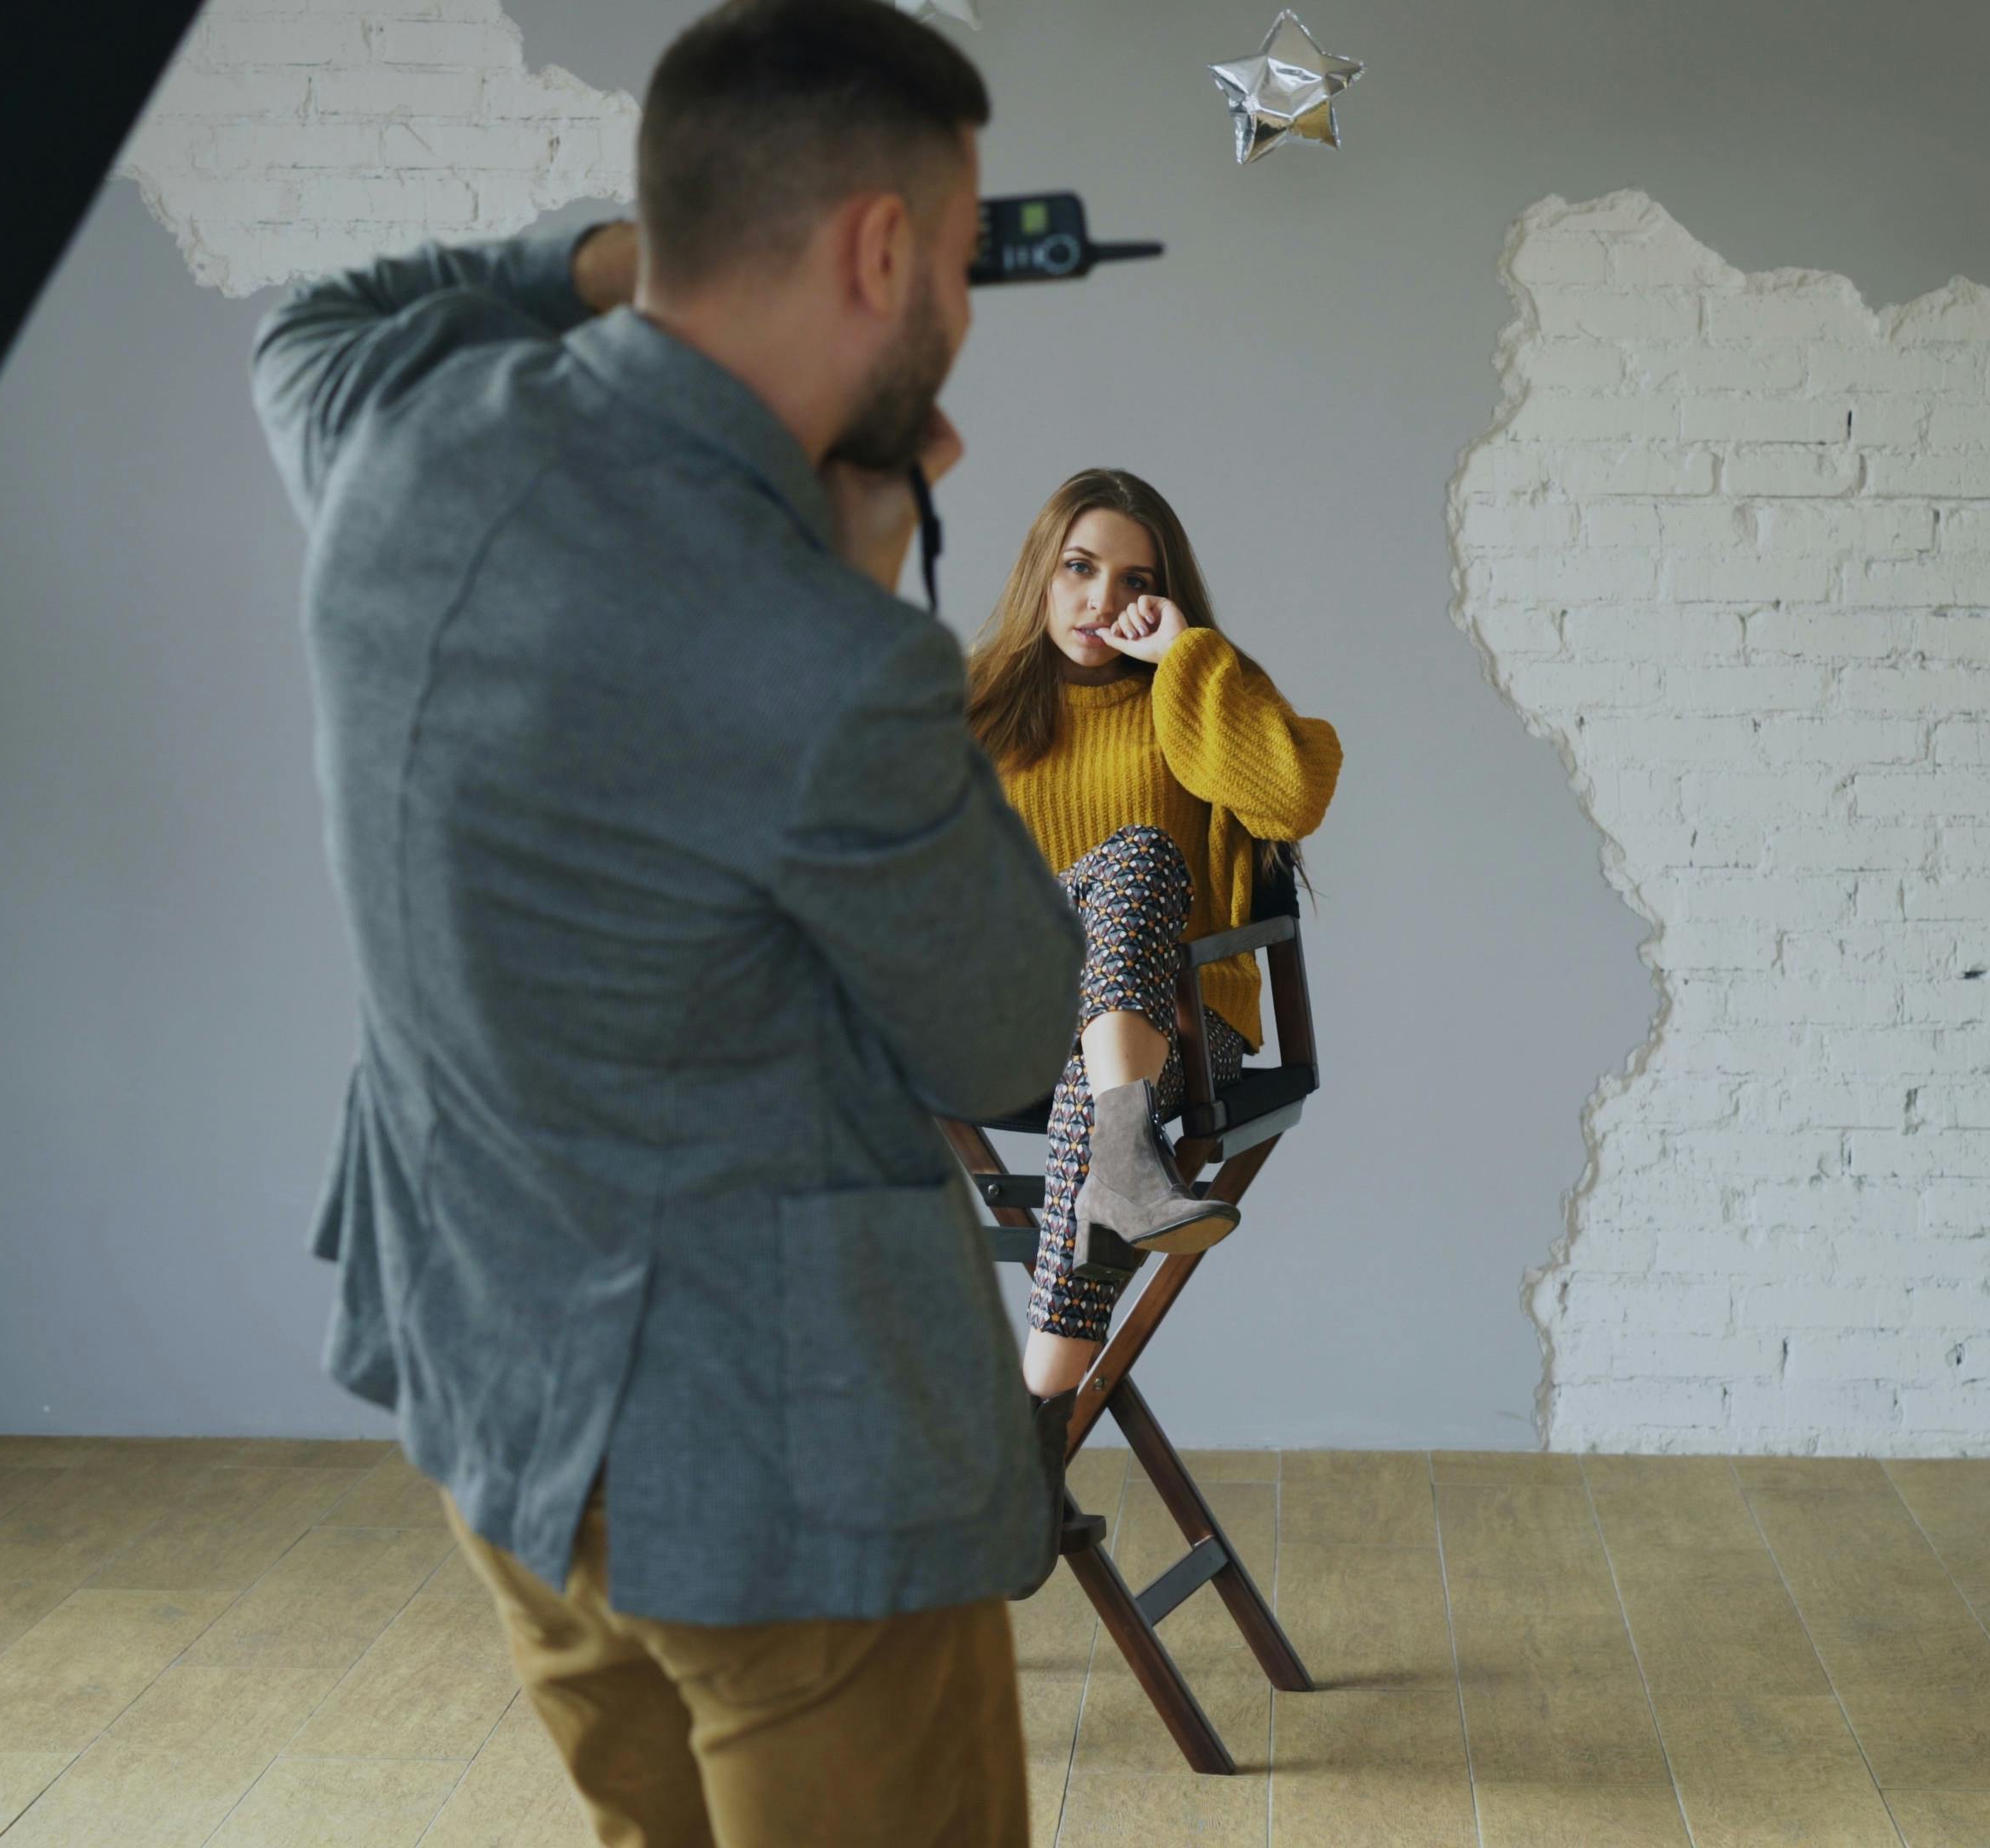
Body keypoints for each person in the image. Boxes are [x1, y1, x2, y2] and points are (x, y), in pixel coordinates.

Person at [248, 3, 1078, 1842]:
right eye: (952, 258)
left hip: (500, 1394)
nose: (957, 300)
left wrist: (631, 261)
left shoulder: (390, 438)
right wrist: (864, 606)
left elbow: (306, 323)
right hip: (774, 1476)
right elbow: (1018, 1035)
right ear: (878, 250)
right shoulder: (819, 661)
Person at [964, 470, 1343, 1401]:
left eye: (1136, 581)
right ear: (1040, 577)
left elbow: (1293, 795)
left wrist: (1188, 657)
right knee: (1127, 867)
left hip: (1176, 1028)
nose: (1103, 600)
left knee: (1101, 1099)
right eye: (1081, 568)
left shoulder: (1194, 695)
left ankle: (1032, 1429)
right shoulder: (969, 714)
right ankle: (1125, 1164)